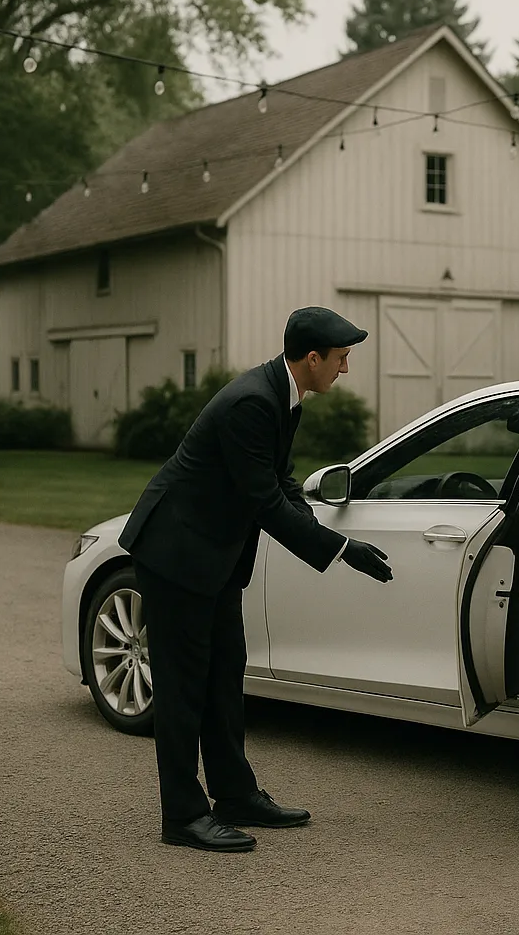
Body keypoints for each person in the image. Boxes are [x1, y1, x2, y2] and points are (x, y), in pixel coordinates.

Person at [118, 306, 394, 853]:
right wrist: (339, 549)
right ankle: (183, 814)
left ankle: (235, 794)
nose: (345, 368)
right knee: (183, 690)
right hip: (177, 555)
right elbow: (263, 500)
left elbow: (280, 478)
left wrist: (318, 527)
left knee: (224, 676)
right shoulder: (254, 402)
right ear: (312, 359)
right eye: (341, 359)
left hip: (214, 557)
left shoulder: (282, 395)